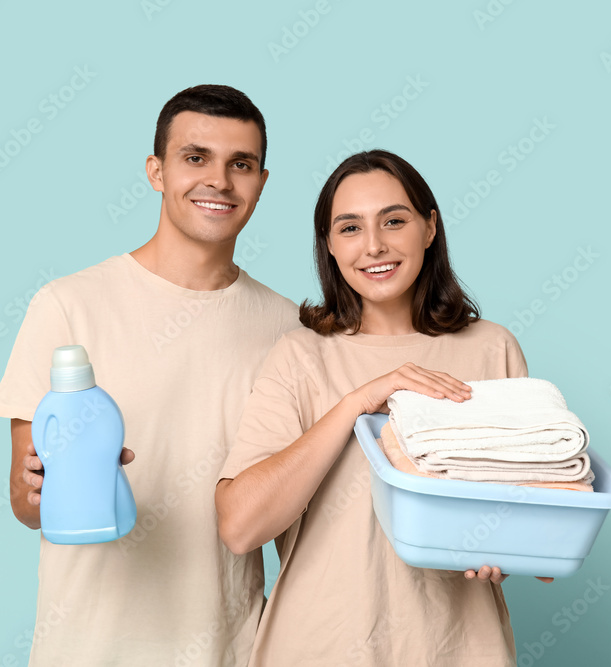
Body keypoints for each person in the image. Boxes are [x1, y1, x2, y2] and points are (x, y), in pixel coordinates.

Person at [0, 84, 300, 666]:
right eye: (195, 158)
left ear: (261, 181)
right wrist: (48, 488)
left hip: (229, 650)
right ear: (157, 171)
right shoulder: (66, 306)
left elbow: (294, 512)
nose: (219, 181)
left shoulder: (290, 328)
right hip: (86, 649)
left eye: (242, 164)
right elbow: (23, 500)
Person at [215, 150, 531, 666]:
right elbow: (240, 527)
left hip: (457, 649)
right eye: (350, 228)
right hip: (319, 648)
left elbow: (536, 522)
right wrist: (358, 402)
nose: (375, 245)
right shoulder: (300, 356)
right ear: (330, 247)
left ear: (429, 228)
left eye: (393, 221)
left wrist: (506, 549)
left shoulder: (492, 349)